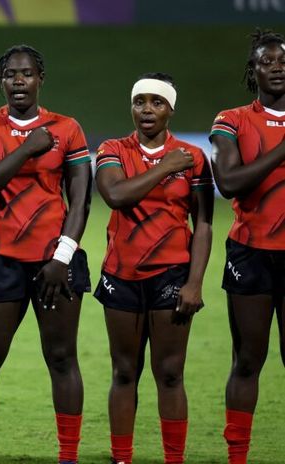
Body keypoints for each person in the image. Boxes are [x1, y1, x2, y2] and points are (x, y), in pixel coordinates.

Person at [0, 45, 92, 464]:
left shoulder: (67, 129)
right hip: (0, 259)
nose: (19, 81)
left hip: (56, 261)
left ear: (40, 79)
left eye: (27, 73)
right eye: (11, 74)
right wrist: (26, 149)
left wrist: (62, 257)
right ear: (0, 81)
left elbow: (81, 199)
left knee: (62, 358)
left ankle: (68, 457)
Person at [94, 73, 214, 464]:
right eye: (139, 101)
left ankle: (173, 459)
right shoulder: (113, 149)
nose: (147, 109)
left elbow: (204, 224)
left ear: (171, 109)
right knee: (123, 372)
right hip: (121, 277)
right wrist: (165, 167)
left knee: (170, 374)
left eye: (157, 102)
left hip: (171, 277)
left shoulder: (193, 157)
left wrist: (195, 283)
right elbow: (115, 195)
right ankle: (121, 458)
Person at [209, 29, 285, 464]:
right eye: (267, 61)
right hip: (251, 253)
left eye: (283, 61)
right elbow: (229, 182)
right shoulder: (232, 120)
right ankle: (237, 457)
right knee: (247, 360)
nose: (277, 67)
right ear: (252, 71)